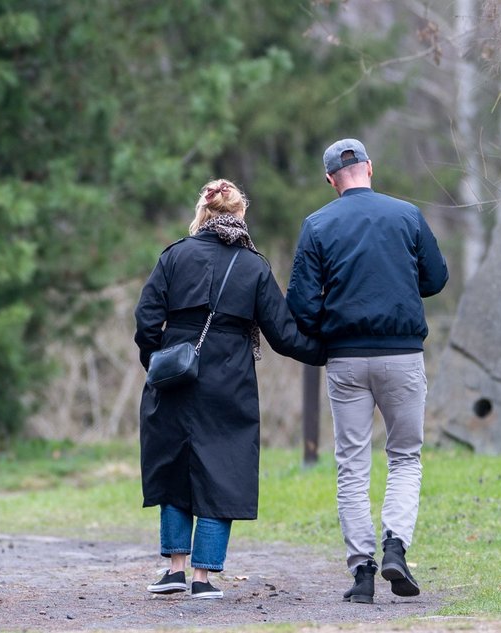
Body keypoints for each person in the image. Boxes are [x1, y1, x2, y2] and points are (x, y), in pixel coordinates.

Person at [134, 178, 325, 600]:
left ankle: (173, 569)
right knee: (223, 469)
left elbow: (146, 320)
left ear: (202, 214)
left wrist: (158, 363)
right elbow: (283, 334)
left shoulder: (173, 256)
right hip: (230, 377)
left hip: (174, 378)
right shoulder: (253, 266)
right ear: (239, 215)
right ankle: (203, 577)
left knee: (174, 464)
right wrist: (328, 352)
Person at [286, 139, 448, 604]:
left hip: (346, 358)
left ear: (331, 179)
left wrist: (327, 331)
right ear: (370, 169)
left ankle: (362, 573)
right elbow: (436, 279)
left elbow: (299, 302)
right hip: (401, 355)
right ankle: (396, 545)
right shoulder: (407, 215)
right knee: (404, 457)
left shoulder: (317, 225)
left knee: (352, 465)